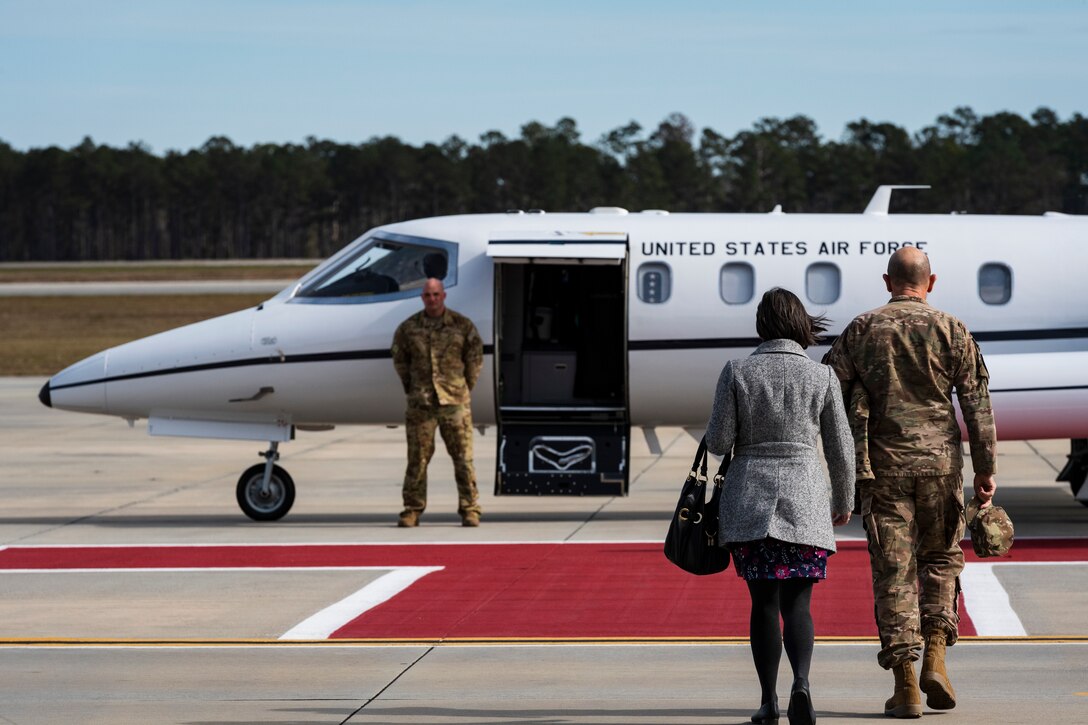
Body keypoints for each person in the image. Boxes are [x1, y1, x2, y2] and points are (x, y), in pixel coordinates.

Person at [823, 246, 997, 718]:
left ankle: (905, 685)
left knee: (894, 572)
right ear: (931, 282)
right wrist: (985, 469)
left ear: (887, 281)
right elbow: (977, 406)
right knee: (941, 560)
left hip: (883, 472)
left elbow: (825, 391)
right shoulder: (953, 329)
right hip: (941, 468)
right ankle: (936, 657)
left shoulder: (862, 329)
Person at [706, 288, 855, 725]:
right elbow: (840, 447)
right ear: (799, 324)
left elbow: (718, 442)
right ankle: (803, 684)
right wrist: (844, 499)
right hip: (805, 500)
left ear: (761, 325)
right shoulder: (822, 377)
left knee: (763, 605)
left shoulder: (737, 371)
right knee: (799, 605)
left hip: (750, 502)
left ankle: (769, 701)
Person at [391, 278, 484, 527]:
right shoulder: (408, 328)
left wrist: (462, 389)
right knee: (417, 459)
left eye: (436, 294)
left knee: (463, 459)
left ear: (443, 296)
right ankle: (412, 509)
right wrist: (413, 389)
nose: (432, 299)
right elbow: (400, 361)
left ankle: (470, 508)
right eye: (427, 295)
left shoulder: (462, 326)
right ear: (422, 298)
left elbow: (474, 360)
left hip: (455, 403)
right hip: (421, 404)